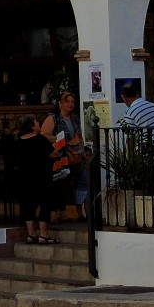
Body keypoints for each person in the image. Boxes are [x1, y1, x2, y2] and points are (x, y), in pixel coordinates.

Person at [41, 91, 89, 222]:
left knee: (67, 185)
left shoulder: (74, 119)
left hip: (73, 157)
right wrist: (58, 138)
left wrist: (82, 152)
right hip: (59, 156)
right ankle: (54, 213)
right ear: (60, 103)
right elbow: (44, 135)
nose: (71, 104)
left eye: (72, 102)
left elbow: (79, 136)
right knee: (57, 184)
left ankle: (63, 212)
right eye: (67, 101)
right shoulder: (53, 118)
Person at [15, 114, 60, 244]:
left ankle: (31, 234)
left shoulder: (19, 141)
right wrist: (58, 146)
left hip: (25, 177)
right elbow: (52, 154)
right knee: (44, 203)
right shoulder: (40, 140)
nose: (39, 124)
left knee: (28, 205)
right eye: (37, 122)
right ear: (32, 126)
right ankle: (44, 234)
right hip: (41, 176)